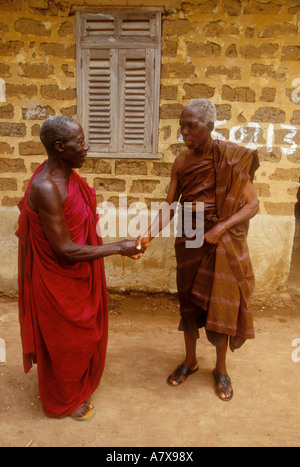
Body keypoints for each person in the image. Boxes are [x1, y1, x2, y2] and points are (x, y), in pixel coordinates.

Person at [16, 115, 143, 420]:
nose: (87, 148)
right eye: (80, 143)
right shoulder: (46, 187)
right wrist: (119, 247)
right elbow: (64, 249)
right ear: (60, 147)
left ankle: (76, 384)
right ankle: (63, 399)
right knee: (65, 339)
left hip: (79, 272)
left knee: (85, 334)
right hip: (56, 278)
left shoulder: (69, 178)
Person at [137, 99, 259, 401]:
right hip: (189, 238)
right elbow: (169, 204)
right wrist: (149, 234)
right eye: (182, 126)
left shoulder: (231, 158)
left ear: (210, 127)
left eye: (192, 126)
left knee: (220, 304)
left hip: (223, 242)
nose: (184, 132)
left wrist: (221, 227)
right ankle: (190, 361)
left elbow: (252, 205)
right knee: (189, 303)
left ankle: (220, 369)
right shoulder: (181, 162)